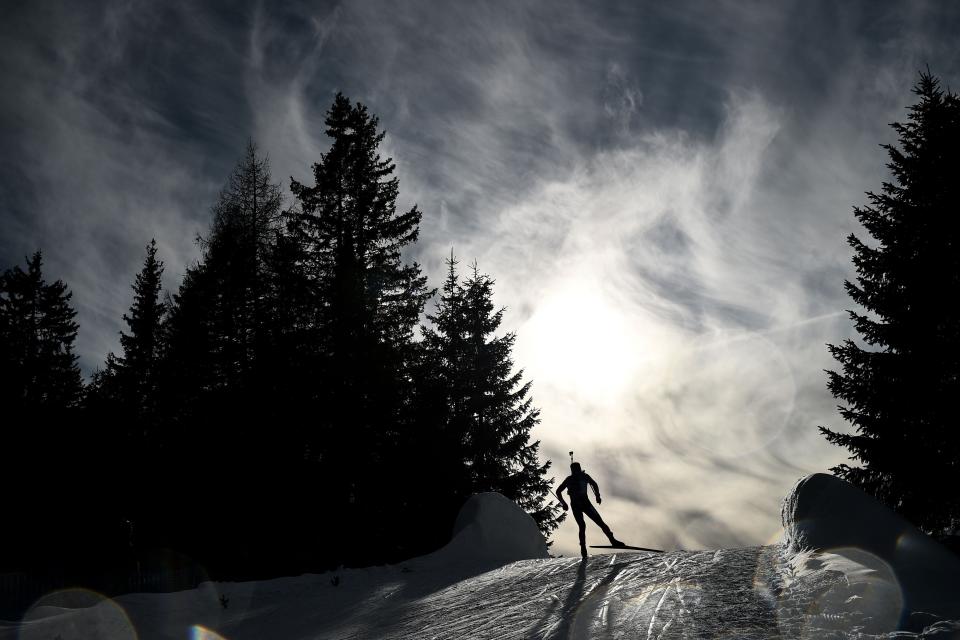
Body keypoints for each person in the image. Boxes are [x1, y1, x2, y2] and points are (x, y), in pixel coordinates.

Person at [557, 462, 624, 558]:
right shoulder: (583, 476)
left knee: (585, 525)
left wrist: (564, 503)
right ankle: (610, 541)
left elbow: (558, 491)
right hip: (584, 504)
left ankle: (584, 548)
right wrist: (597, 496)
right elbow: (594, 484)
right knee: (593, 524)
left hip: (578, 505)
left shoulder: (571, 479)